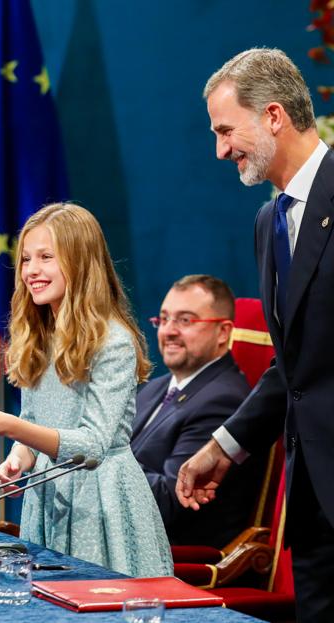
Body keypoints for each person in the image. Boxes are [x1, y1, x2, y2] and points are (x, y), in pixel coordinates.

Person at [176, 48, 334, 622]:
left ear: (272, 116)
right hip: (313, 509)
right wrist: (223, 446)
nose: (220, 149)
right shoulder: (269, 223)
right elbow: (292, 369)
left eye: (225, 130)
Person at [0, 203, 173, 577]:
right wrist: (20, 457)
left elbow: (93, 445)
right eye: (26, 260)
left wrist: (7, 428)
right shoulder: (38, 337)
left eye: (46, 258)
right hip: (47, 496)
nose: (32, 270)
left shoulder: (112, 341)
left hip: (99, 502)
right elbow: (33, 419)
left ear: (81, 263)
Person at [132, 275, 264, 548]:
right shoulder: (153, 388)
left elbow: (169, 501)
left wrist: (97, 460)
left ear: (223, 332)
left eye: (185, 320)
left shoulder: (225, 401)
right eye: (164, 319)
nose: (168, 331)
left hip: (171, 562)